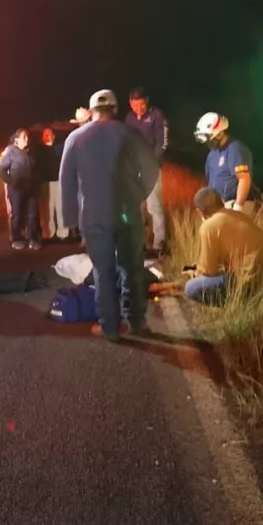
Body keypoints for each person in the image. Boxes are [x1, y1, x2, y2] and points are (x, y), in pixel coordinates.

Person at [60, 89, 159, 341]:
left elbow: (66, 181)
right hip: (127, 213)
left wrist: (70, 219)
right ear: (115, 109)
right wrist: (139, 194)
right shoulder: (129, 134)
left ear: (92, 110)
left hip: (94, 217)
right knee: (132, 269)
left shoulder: (76, 138)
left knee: (102, 272)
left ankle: (110, 328)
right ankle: (136, 322)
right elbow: (151, 168)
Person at [183, 188, 263, 305]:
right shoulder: (239, 215)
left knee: (191, 287)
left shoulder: (208, 227)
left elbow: (209, 271)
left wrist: (193, 273)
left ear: (199, 212)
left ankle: (241, 303)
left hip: (252, 281)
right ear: (222, 201)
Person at [125, 87, 169, 255]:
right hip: (134, 169)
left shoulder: (157, 115)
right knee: (134, 207)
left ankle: (159, 243)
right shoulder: (129, 118)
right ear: (130, 103)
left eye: (142, 104)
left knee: (154, 206)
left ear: (147, 101)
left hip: (151, 168)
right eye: (135, 104)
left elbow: (163, 142)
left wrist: (152, 162)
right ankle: (139, 241)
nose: (139, 108)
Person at [195, 112, 255, 214]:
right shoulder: (212, 155)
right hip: (218, 207)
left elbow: (244, 178)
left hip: (234, 204)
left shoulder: (235, 149)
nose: (208, 142)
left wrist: (238, 207)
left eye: (210, 138)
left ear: (219, 134)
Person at [0, 128, 42, 250]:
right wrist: (11, 181)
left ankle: (32, 239)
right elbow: (2, 169)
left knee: (32, 215)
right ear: (17, 140)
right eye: (24, 137)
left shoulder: (31, 151)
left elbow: (36, 168)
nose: (27, 139)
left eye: (27, 136)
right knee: (17, 215)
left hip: (31, 189)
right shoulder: (11, 152)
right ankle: (17, 239)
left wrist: (36, 180)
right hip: (16, 190)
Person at [38, 127, 68, 241]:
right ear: (42, 137)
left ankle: (63, 232)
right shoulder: (39, 150)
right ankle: (49, 232)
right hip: (46, 183)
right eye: (46, 135)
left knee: (60, 208)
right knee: (48, 210)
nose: (48, 136)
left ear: (54, 136)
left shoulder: (60, 148)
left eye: (50, 134)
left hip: (59, 181)